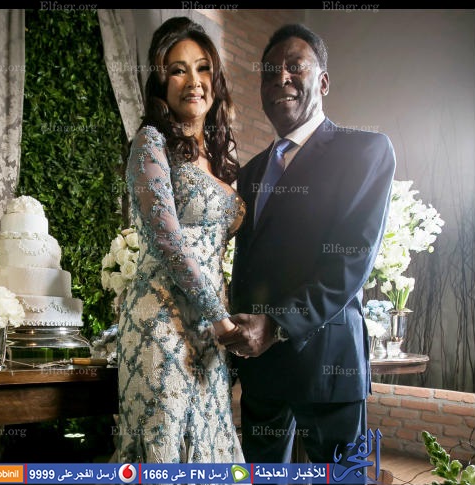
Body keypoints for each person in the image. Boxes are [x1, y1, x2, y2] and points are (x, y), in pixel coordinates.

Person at [226, 23, 396, 467]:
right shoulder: (251, 172)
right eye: (269, 72)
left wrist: (276, 324)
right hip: (260, 370)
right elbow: (247, 263)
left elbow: (351, 263)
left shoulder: (365, 151)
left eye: (294, 67)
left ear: (322, 81)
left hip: (327, 367)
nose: (280, 78)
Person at [114, 16, 246, 463]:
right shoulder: (150, 142)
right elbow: (168, 240)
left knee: (210, 449)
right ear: (160, 82)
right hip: (161, 324)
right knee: (165, 450)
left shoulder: (220, 159)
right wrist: (222, 321)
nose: (193, 81)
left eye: (203, 67)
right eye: (177, 70)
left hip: (209, 333)